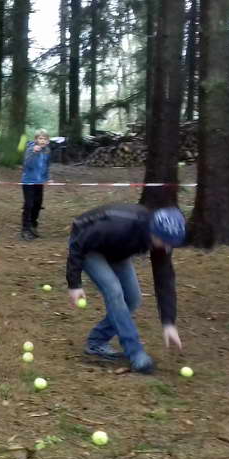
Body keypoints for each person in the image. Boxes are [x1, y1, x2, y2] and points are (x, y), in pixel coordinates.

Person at [66, 204, 187, 374]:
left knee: (133, 298)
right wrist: (74, 284)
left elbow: (164, 278)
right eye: (166, 243)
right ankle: (136, 353)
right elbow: (79, 243)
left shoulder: (161, 241)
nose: (167, 248)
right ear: (153, 232)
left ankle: (96, 342)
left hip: (115, 249)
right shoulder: (122, 226)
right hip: (87, 244)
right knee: (114, 290)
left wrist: (168, 323)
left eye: (171, 244)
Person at [20, 129, 51, 240]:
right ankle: (25, 229)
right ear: (36, 140)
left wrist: (47, 178)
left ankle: (33, 225)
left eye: (44, 139)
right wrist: (34, 152)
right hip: (28, 181)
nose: (42, 141)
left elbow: (47, 165)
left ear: (48, 141)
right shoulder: (30, 149)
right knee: (29, 204)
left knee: (38, 204)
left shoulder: (47, 151)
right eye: (40, 138)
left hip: (39, 182)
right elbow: (26, 164)